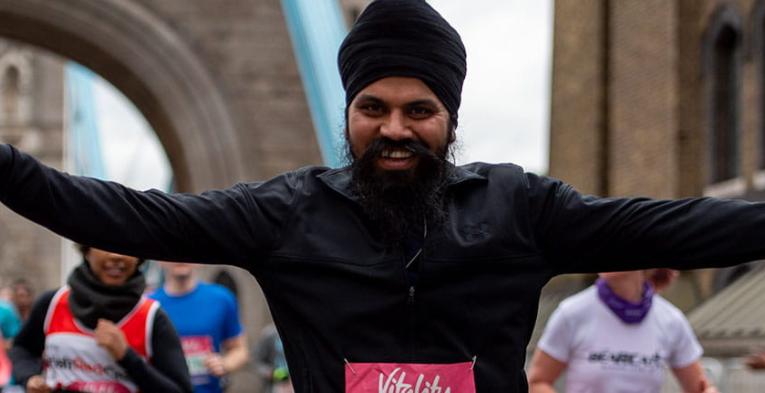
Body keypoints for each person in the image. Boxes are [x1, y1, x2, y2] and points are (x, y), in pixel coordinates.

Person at [3, 0, 765, 391]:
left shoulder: (519, 209)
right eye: (373, 108)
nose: (394, 129)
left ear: (449, 120)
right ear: (348, 115)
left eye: (418, 110)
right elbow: (113, 213)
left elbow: (686, 225)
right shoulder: (284, 212)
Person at [9, 246, 192, 393]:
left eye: (127, 247)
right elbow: (21, 349)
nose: (116, 255)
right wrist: (30, 378)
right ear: (86, 250)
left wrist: (127, 357)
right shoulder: (52, 303)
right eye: (105, 244)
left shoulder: (152, 318)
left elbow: (180, 389)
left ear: (139, 258)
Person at [527, 270, 717, 393]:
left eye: (619, 243)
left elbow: (701, 388)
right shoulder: (572, 313)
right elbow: (537, 381)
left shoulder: (671, 320)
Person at [150, 262, 248, 393]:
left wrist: (224, 364)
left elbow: (240, 350)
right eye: (173, 250)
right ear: (159, 261)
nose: (180, 258)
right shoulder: (149, 305)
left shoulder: (222, 299)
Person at [253, 324, 293, 393]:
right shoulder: (269, 334)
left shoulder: (300, 333)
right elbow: (256, 360)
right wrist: (270, 372)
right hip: (274, 385)